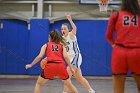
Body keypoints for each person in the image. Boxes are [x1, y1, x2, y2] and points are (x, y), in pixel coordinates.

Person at [106, 0, 140, 93]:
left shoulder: (116, 15)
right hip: (137, 52)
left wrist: (114, 44)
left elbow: (108, 36)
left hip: (119, 52)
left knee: (118, 90)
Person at [62, 15, 95, 93]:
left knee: (67, 77)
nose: (63, 30)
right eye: (62, 29)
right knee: (79, 78)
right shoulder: (62, 39)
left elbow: (75, 28)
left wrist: (70, 19)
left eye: (64, 28)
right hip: (70, 60)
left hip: (76, 57)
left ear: (68, 29)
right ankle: (91, 91)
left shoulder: (71, 34)